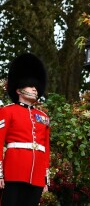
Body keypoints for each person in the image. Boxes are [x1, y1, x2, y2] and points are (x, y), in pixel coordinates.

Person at [0, 53, 50, 206]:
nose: (35, 89)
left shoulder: (43, 117)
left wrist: (45, 179)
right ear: (18, 90)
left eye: (36, 86)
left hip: (36, 176)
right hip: (13, 172)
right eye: (30, 85)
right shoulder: (7, 111)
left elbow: (46, 149)